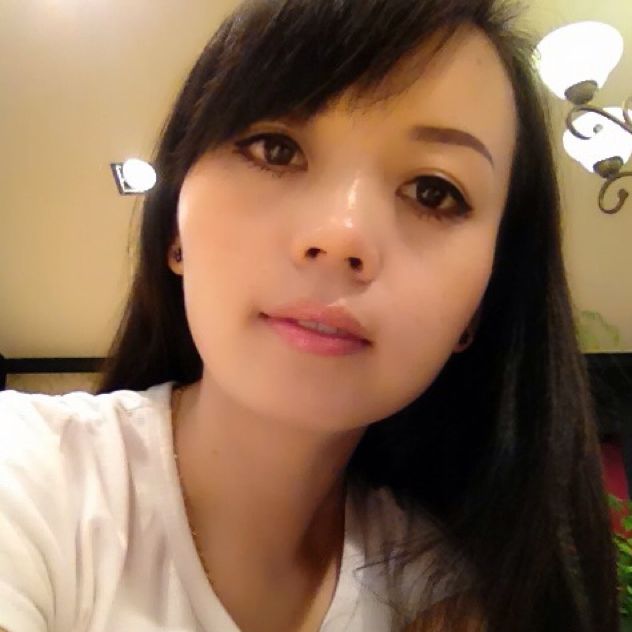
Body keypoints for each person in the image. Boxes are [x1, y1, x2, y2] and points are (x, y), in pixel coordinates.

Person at [0, 0, 620, 630]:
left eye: (433, 192)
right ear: (175, 231)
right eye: (275, 149)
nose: (341, 234)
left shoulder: (442, 588)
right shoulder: (28, 475)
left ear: (481, 303)